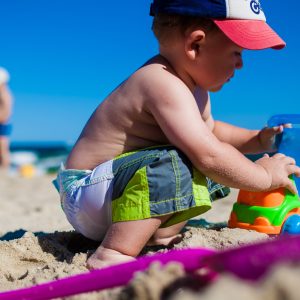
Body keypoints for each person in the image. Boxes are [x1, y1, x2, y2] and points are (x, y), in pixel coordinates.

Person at [54, 0, 300, 269]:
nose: (241, 64)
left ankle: (155, 234)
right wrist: (264, 176)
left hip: (116, 195)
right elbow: (209, 153)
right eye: (236, 52)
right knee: (190, 159)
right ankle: (115, 252)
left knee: (200, 156)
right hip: (88, 193)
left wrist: (256, 139)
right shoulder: (160, 81)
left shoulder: (195, 90)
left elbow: (212, 131)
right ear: (196, 45)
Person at [0, 67, 13, 169]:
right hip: (3, 122)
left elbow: (6, 111)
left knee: (3, 147)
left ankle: (4, 168)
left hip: (3, 123)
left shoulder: (5, 93)